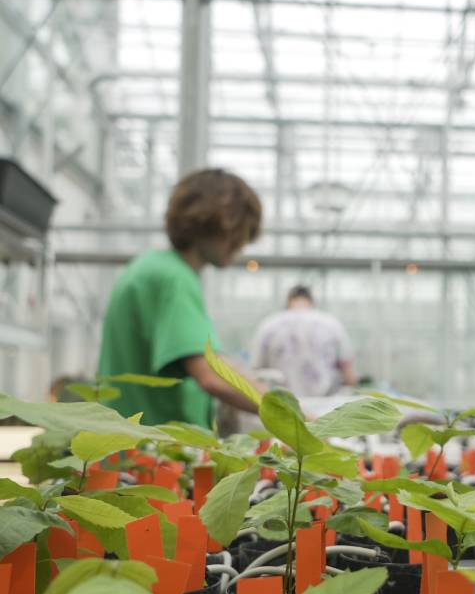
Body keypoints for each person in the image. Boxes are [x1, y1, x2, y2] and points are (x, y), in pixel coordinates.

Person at [97, 168, 266, 426]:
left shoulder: (151, 267)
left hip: (130, 446)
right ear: (217, 223)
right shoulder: (173, 278)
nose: (242, 244)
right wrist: (294, 417)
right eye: (240, 231)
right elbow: (211, 374)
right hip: (151, 455)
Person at [251, 285, 357, 398]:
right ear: (311, 301)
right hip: (325, 406)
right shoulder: (332, 324)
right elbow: (349, 376)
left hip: (283, 407)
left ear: (288, 301)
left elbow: (258, 373)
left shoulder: (269, 326)